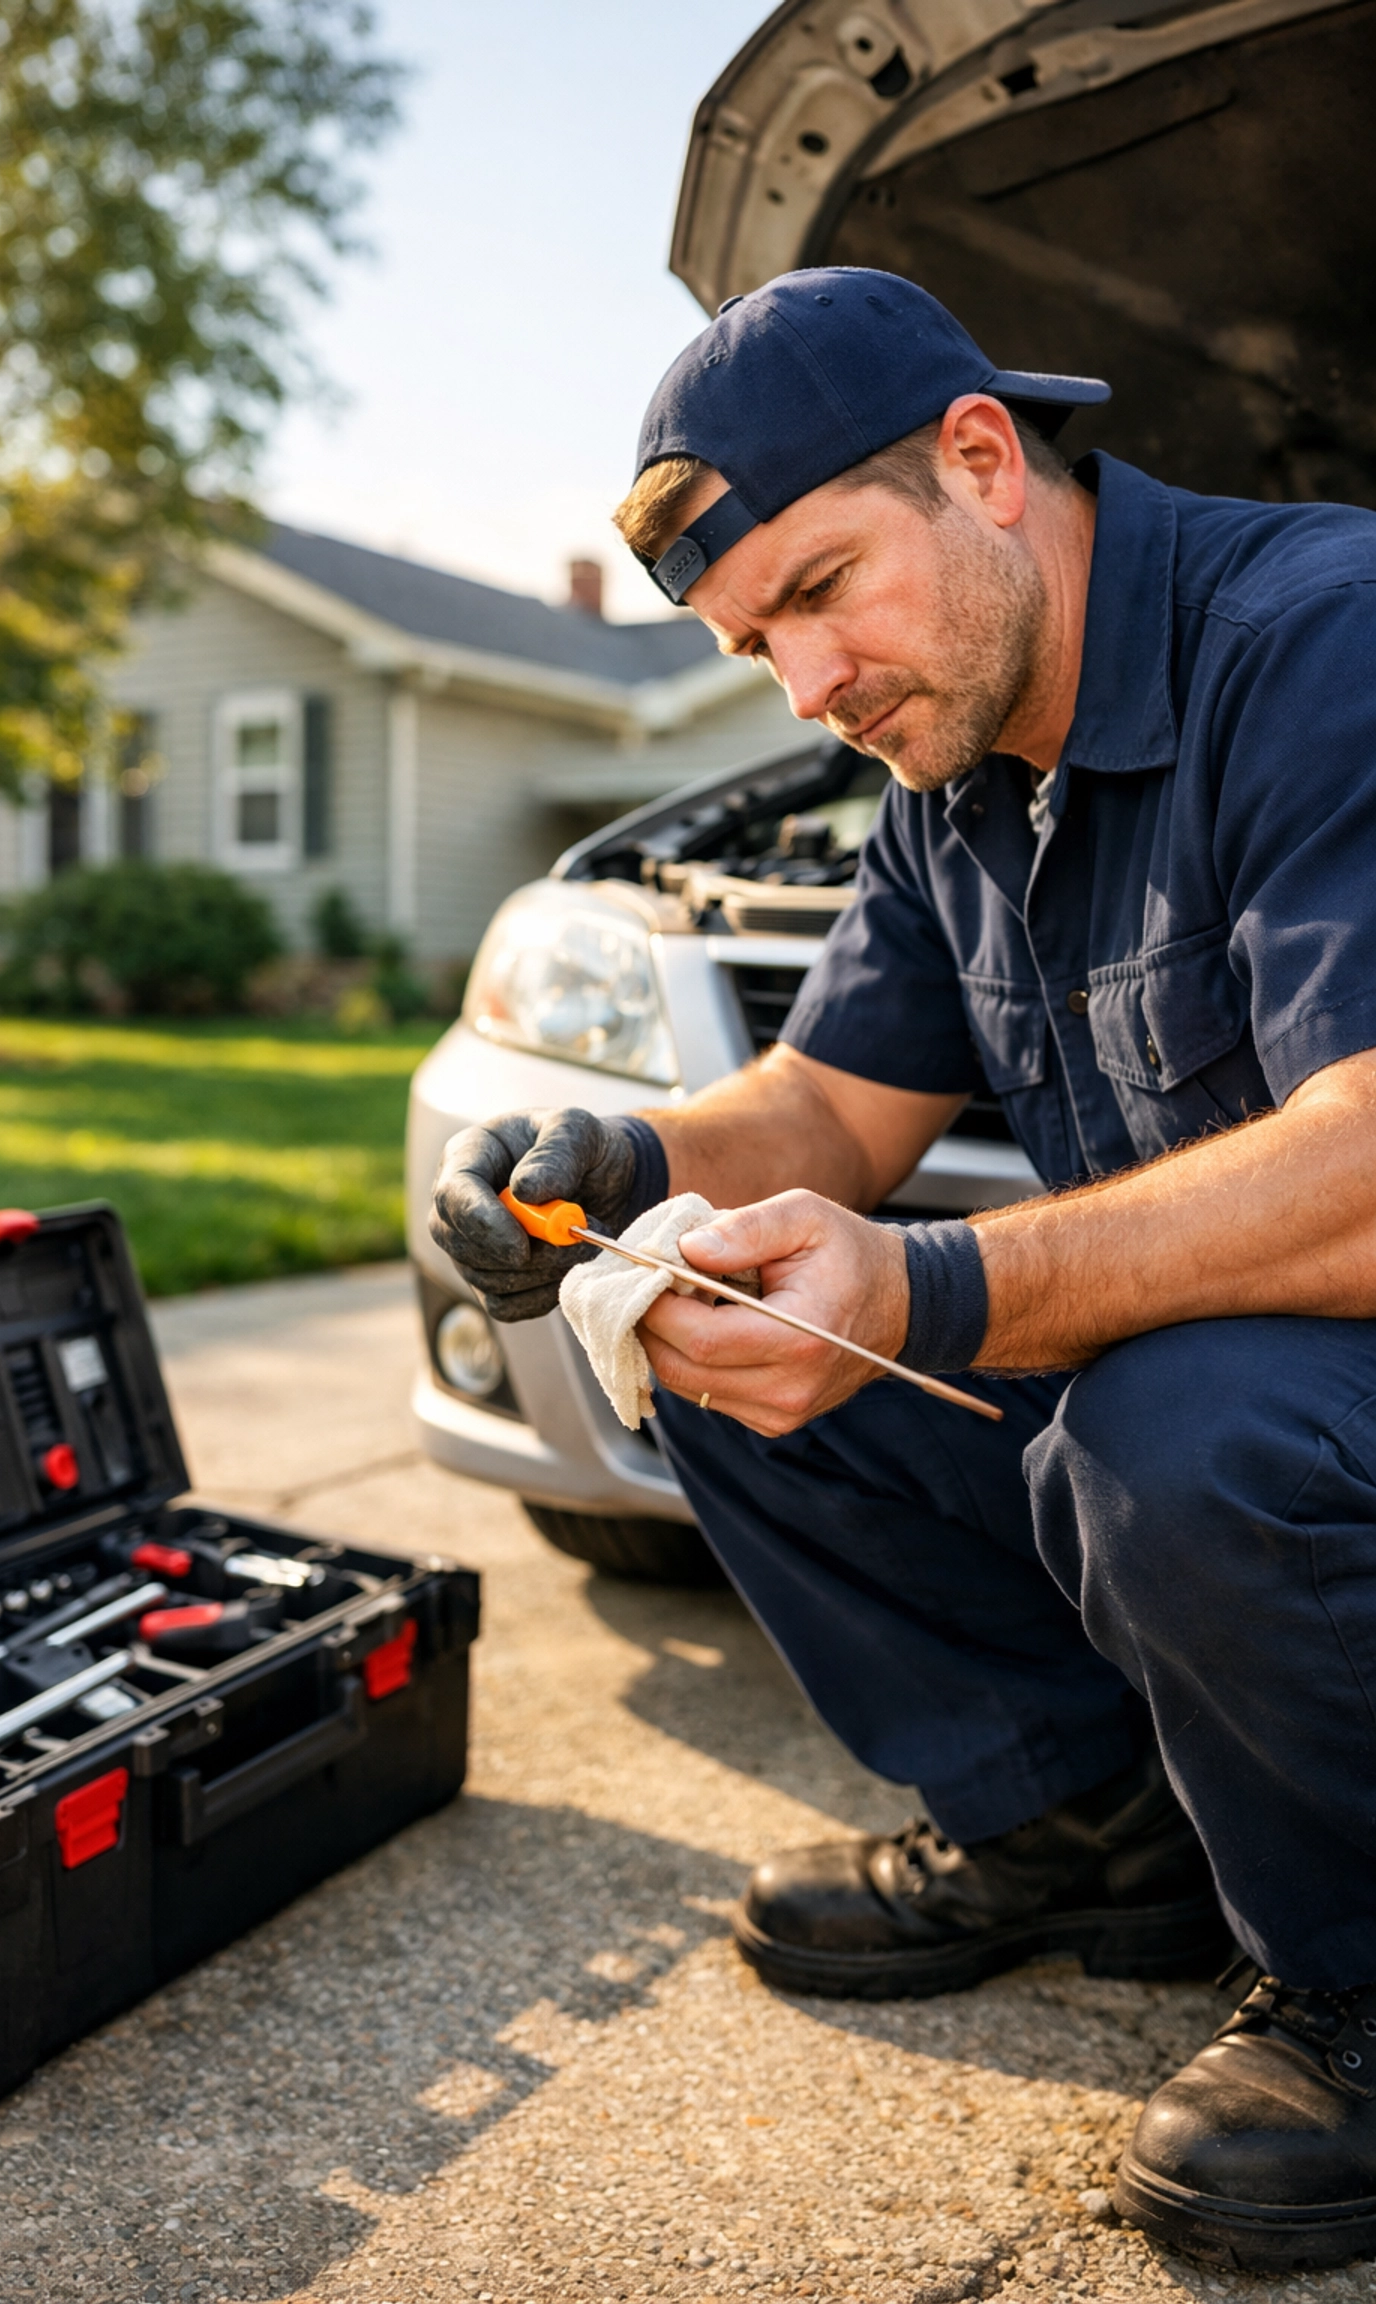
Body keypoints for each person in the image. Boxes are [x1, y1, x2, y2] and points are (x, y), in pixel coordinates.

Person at [430, 267, 1376, 2273]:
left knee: (1174, 1427)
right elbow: (821, 1123)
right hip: (1243, 1388)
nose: (803, 683)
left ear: (982, 461)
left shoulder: (1320, 641)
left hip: (1312, 1390)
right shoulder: (942, 784)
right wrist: (618, 1169)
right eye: (753, 638)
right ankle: (1088, 1833)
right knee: (722, 1325)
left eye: (823, 588)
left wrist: (932, 1293)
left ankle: (1358, 1982)